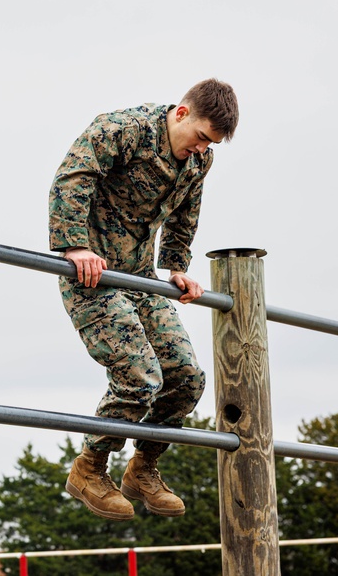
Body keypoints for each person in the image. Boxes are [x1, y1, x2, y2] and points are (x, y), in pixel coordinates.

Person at [48, 78, 238, 521]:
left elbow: (186, 212)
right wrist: (75, 245)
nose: (202, 149)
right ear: (182, 113)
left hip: (140, 278)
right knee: (140, 376)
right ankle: (89, 468)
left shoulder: (198, 160)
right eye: (201, 137)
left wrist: (175, 266)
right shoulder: (122, 129)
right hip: (93, 276)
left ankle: (143, 468)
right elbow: (71, 178)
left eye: (211, 145)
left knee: (186, 377)